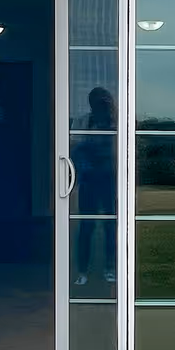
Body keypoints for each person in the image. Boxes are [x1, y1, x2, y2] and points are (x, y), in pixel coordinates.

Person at [69, 86, 116, 287]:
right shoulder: (83, 121)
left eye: (103, 102)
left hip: (110, 178)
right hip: (89, 179)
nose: (100, 106)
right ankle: (82, 271)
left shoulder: (117, 122)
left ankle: (110, 268)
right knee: (86, 225)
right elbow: (73, 148)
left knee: (111, 225)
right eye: (96, 102)